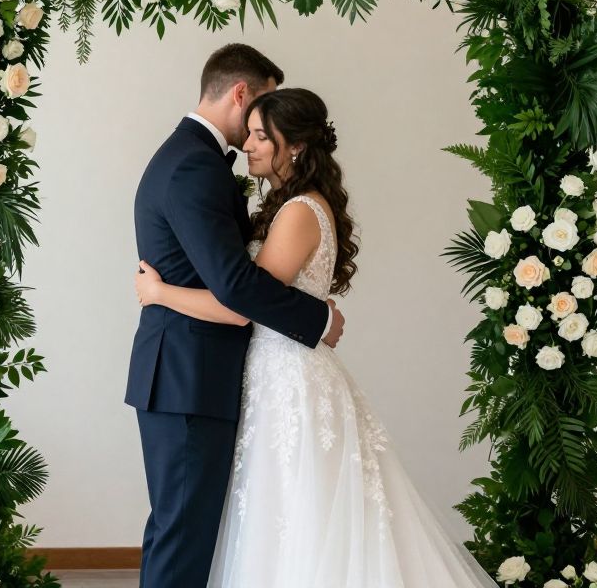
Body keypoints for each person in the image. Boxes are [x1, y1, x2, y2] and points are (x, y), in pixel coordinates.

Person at [135, 87, 500, 588]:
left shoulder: (299, 212)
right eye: (251, 133)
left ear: (297, 147)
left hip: (289, 378)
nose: (248, 145)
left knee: (297, 514)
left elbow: (240, 303)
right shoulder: (290, 207)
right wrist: (319, 318)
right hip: (273, 372)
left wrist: (158, 293)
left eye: (262, 136)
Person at [125, 45, 345, 588]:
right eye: (263, 108)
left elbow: (235, 283)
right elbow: (234, 288)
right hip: (189, 378)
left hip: (198, 376)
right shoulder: (194, 165)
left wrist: (160, 293)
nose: (253, 135)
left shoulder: (194, 158)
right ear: (243, 93)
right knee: (183, 536)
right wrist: (318, 319)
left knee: (192, 532)